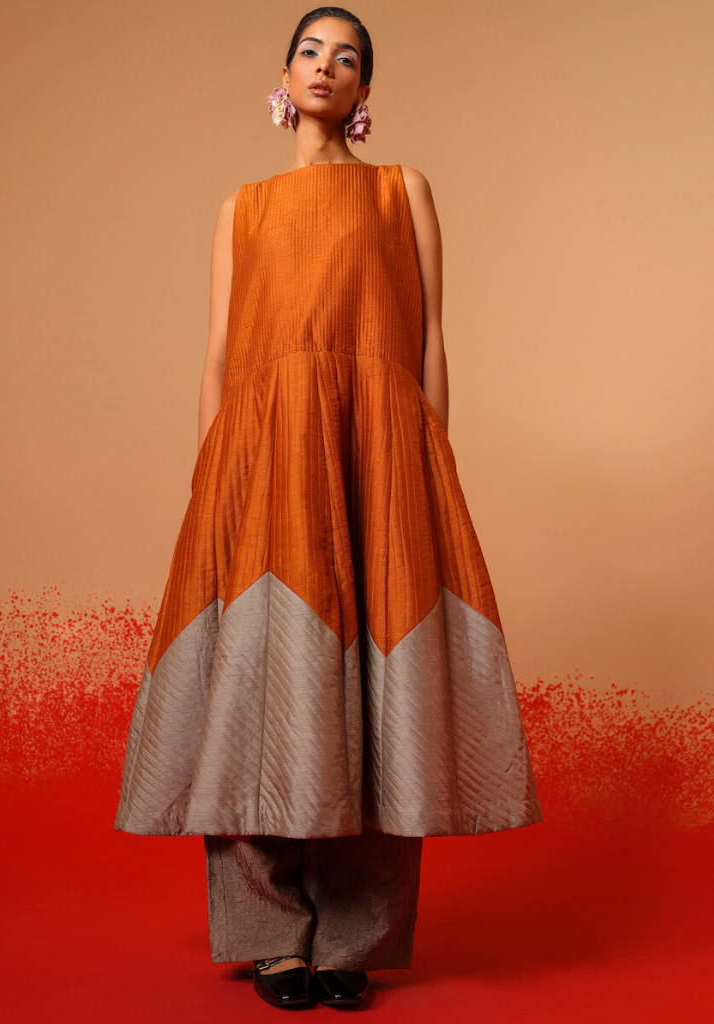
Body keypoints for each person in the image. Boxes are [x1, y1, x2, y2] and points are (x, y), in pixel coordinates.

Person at [114, 6, 543, 1009]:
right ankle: (271, 934)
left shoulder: (403, 191)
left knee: (386, 693)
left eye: (346, 58)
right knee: (255, 691)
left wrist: (428, 461)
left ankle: (353, 940)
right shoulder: (242, 208)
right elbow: (220, 357)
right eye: (310, 51)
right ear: (284, 77)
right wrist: (213, 480)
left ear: (363, 93)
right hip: (261, 463)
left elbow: (430, 338)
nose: (325, 66)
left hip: (381, 454)